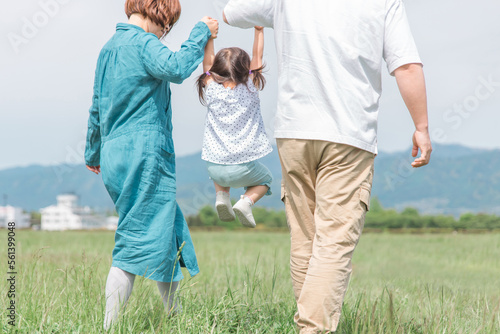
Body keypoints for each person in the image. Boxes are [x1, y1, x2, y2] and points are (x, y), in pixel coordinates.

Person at [223, 0, 432, 333]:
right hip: (348, 135)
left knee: (306, 238)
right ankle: (313, 329)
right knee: (333, 240)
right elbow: (406, 66)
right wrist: (421, 126)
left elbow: (231, 11)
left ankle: (310, 323)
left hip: (293, 132)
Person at [84, 0, 218, 330]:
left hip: (114, 155)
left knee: (166, 233)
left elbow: (97, 108)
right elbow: (175, 67)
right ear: (158, 16)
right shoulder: (143, 43)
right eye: (167, 25)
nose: (164, 33)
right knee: (132, 242)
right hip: (144, 153)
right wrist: (202, 32)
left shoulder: (108, 49)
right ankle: (109, 327)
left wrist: (93, 153)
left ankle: (174, 319)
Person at [196, 26, 273, 228]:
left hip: (214, 170)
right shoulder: (250, 86)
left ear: (216, 71)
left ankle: (222, 196)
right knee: (266, 179)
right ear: (245, 69)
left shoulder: (211, 88)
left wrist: (210, 37)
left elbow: (208, 61)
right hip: (244, 168)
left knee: (218, 159)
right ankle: (245, 202)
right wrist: (259, 30)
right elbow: (258, 55)